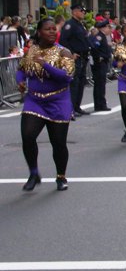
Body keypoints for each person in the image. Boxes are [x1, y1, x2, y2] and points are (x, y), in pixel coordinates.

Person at [16, 18, 75, 191]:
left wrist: (44, 64)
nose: (52, 32)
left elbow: (66, 77)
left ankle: (61, 176)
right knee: (27, 136)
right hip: (35, 101)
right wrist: (20, 82)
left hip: (58, 101)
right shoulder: (31, 51)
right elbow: (21, 69)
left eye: (53, 29)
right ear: (39, 32)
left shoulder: (64, 52)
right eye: (47, 29)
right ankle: (33, 173)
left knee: (58, 143)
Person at [59, 4, 91, 117]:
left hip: (83, 57)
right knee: (74, 83)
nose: (83, 13)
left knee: (81, 82)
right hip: (75, 57)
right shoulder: (70, 25)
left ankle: (77, 106)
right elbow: (63, 40)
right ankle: (71, 108)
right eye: (81, 11)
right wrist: (71, 53)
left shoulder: (80, 24)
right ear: (75, 12)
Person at [90, 20, 112, 112]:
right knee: (100, 84)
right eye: (108, 27)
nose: (109, 29)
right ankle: (100, 104)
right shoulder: (99, 37)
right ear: (104, 28)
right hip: (100, 63)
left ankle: (100, 104)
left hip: (103, 62)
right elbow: (94, 47)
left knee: (101, 84)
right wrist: (99, 57)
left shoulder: (103, 36)